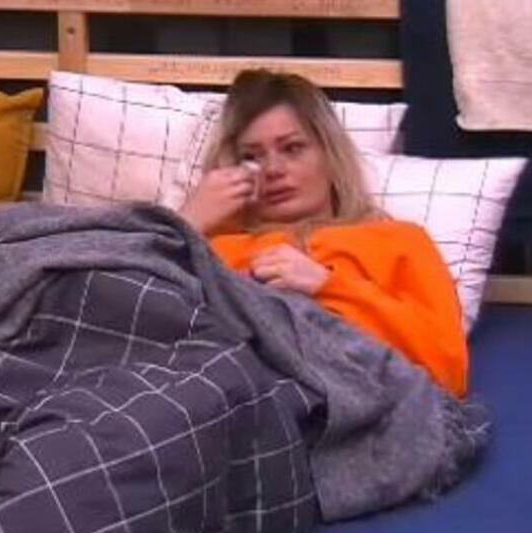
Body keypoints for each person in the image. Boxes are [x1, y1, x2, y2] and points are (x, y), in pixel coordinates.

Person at [180, 69, 468, 399]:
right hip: (217, 396)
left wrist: (328, 286)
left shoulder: (399, 241)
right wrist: (186, 222)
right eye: (251, 157)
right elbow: (139, 323)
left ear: (329, 155)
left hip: (340, 401)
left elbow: (449, 372)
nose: (273, 170)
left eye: (292, 148)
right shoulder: (209, 249)